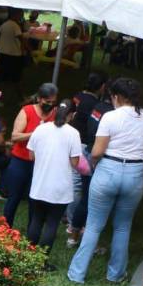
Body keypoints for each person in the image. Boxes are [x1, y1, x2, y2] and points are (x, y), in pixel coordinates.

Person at [68, 77, 143, 284]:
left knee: (93, 225)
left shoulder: (110, 117)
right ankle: (116, 274)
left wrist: (92, 163)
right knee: (122, 226)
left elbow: (97, 151)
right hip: (136, 172)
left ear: (117, 96)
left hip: (108, 169)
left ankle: (77, 274)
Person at [26, 102, 83, 256]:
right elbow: (75, 162)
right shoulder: (73, 133)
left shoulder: (41, 128)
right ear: (72, 115)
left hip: (40, 184)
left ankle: (28, 257)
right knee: (52, 223)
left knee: (36, 221)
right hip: (60, 188)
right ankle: (42, 260)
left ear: (56, 110)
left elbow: (31, 155)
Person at [2, 83, 58, 228]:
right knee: (14, 197)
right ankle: (5, 229)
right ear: (39, 99)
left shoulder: (56, 113)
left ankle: (32, 233)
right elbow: (15, 136)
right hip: (20, 160)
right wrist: (36, 133)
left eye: (53, 102)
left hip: (42, 164)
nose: (50, 105)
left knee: (36, 200)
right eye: (47, 102)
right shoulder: (27, 111)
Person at [66, 72, 110, 247]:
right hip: (83, 145)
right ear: (101, 87)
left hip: (72, 142)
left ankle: (70, 221)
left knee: (75, 184)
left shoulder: (78, 96)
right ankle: (72, 223)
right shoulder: (94, 104)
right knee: (80, 188)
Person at [0, 8, 27, 86]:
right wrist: (23, 49)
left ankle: (4, 81)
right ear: (15, 15)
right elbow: (21, 38)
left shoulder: (5, 24)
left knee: (4, 68)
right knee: (16, 70)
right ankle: (15, 82)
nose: (21, 17)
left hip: (3, 51)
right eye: (20, 15)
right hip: (14, 52)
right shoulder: (15, 25)